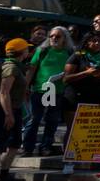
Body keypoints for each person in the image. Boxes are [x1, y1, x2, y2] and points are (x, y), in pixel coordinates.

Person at [0, 38, 34, 181]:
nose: (29, 51)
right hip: (6, 111)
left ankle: (3, 176)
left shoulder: (18, 67)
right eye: (27, 49)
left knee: (13, 144)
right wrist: (8, 114)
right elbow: (3, 92)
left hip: (15, 110)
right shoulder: (10, 67)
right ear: (22, 51)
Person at [22, 26, 74, 157]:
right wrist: (25, 87)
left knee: (52, 120)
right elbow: (31, 69)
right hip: (40, 90)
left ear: (64, 39)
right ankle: (27, 148)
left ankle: (45, 147)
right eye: (52, 36)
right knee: (34, 119)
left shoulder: (69, 52)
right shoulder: (42, 50)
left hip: (57, 91)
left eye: (58, 36)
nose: (54, 38)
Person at [61, 30, 100, 152]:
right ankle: (68, 159)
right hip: (75, 97)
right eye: (94, 41)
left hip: (97, 97)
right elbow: (66, 78)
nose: (97, 43)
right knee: (73, 129)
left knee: (92, 130)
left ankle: (89, 156)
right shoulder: (78, 55)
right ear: (86, 42)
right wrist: (86, 73)